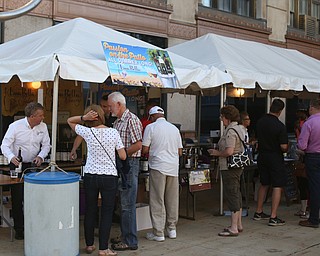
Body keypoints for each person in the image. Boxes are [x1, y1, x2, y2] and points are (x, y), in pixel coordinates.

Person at [67, 104, 126, 256]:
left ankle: (89, 245)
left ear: (90, 118)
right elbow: (123, 156)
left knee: (90, 210)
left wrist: (82, 118)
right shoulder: (113, 132)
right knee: (106, 212)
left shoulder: (87, 131)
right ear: (101, 116)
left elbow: (69, 121)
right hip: (109, 177)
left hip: (91, 175)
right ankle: (104, 248)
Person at [1, 102, 51, 240]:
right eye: (40, 115)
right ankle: (20, 229)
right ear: (32, 116)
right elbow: (4, 145)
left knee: (34, 197)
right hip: (17, 164)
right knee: (17, 198)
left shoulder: (43, 126)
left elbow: (46, 145)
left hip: (33, 165)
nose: (43, 117)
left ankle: (33, 226)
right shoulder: (15, 127)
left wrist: (41, 156)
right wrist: (11, 157)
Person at [107, 92, 143, 251]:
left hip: (129, 163)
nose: (109, 109)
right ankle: (125, 235)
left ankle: (130, 240)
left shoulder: (131, 120)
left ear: (119, 104)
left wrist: (122, 154)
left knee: (128, 203)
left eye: (110, 106)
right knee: (123, 202)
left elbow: (138, 145)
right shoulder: (118, 122)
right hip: (122, 163)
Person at [142, 106, 183, 241]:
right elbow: (180, 152)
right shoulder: (174, 129)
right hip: (173, 167)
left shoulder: (151, 128)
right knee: (172, 199)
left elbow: (145, 149)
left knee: (157, 199)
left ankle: (158, 232)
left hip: (158, 166)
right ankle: (172, 229)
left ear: (152, 117)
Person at [208, 105, 244, 237]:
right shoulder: (240, 128)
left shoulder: (231, 131)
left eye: (222, 116)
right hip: (238, 166)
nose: (221, 119)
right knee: (237, 193)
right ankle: (238, 224)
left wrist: (216, 153)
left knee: (232, 194)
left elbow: (229, 151)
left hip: (229, 167)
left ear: (227, 118)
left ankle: (234, 227)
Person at [253, 99, 288, 226]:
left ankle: (258, 211)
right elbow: (283, 146)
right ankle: (273, 216)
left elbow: (256, 138)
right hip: (275, 156)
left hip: (262, 156)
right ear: (280, 111)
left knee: (264, 183)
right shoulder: (280, 126)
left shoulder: (260, 122)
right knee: (277, 185)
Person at [70, 94, 116, 160]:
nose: (102, 108)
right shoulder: (93, 117)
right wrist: (74, 149)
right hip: (94, 155)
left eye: (104, 106)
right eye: (101, 105)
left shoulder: (115, 118)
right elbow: (80, 135)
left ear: (110, 107)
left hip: (110, 155)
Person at [297, 99, 320, 228]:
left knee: (315, 188)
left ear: (311, 107)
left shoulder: (309, 123)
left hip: (313, 157)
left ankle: (314, 219)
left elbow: (302, 145)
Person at [293, 109, 309, 219]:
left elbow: (303, 146)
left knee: (304, 184)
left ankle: (304, 209)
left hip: (307, 158)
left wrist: (297, 150)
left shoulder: (306, 125)